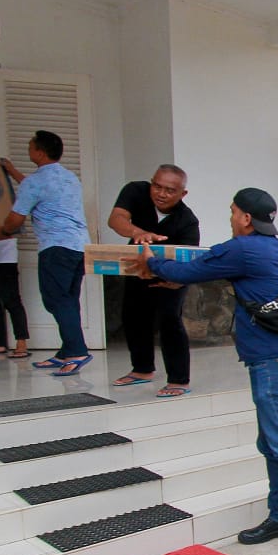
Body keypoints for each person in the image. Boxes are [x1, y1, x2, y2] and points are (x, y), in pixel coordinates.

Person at [122, 188, 278, 555]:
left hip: (275, 364)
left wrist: (152, 260)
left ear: (246, 218)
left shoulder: (243, 248)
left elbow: (189, 271)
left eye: (232, 212)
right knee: (273, 444)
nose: (230, 218)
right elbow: (240, 279)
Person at [0, 130, 92, 375]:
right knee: (68, 299)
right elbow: (35, 188)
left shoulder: (35, 183)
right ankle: (66, 351)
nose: (28, 150)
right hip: (79, 246)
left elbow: (15, 219)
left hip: (55, 247)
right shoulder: (69, 177)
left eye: (30, 147)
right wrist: (12, 171)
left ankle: (77, 351)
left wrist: (3, 230)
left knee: (56, 300)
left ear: (39, 153)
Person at [107, 165, 199, 398]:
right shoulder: (135, 191)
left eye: (170, 190)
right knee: (133, 316)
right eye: (157, 186)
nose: (161, 194)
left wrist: (177, 282)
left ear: (182, 194)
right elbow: (116, 219)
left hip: (170, 277)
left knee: (170, 321)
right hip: (138, 270)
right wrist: (137, 233)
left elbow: (190, 261)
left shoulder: (187, 221)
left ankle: (178, 380)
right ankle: (142, 369)